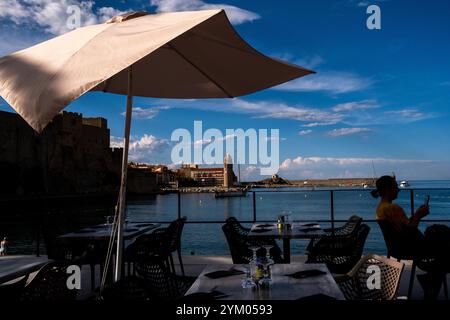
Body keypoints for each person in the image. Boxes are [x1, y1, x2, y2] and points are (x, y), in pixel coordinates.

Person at [372, 175, 450, 299]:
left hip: (396, 247)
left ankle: (431, 278)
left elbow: (404, 228)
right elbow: (409, 232)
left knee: (438, 235)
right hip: (409, 247)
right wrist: (419, 215)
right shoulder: (393, 208)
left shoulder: (380, 209)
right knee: (444, 241)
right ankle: (431, 281)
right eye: (395, 186)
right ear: (387, 189)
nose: (398, 189)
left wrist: (416, 215)